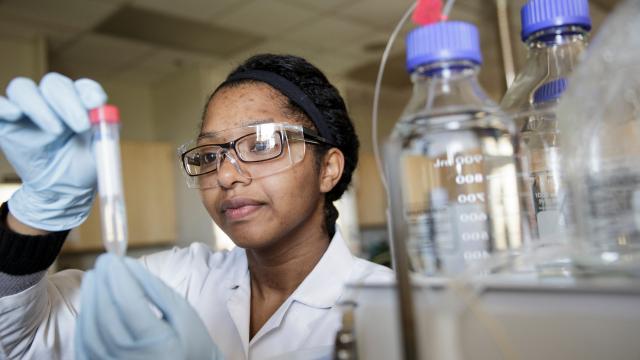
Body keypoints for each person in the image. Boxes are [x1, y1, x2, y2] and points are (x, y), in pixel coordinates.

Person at [0, 54, 392, 359]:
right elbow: (23, 343)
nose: (225, 175)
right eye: (208, 154)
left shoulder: (394, 307)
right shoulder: (178, 278)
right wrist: (38, 212)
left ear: (328, 169)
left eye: (260, 144)